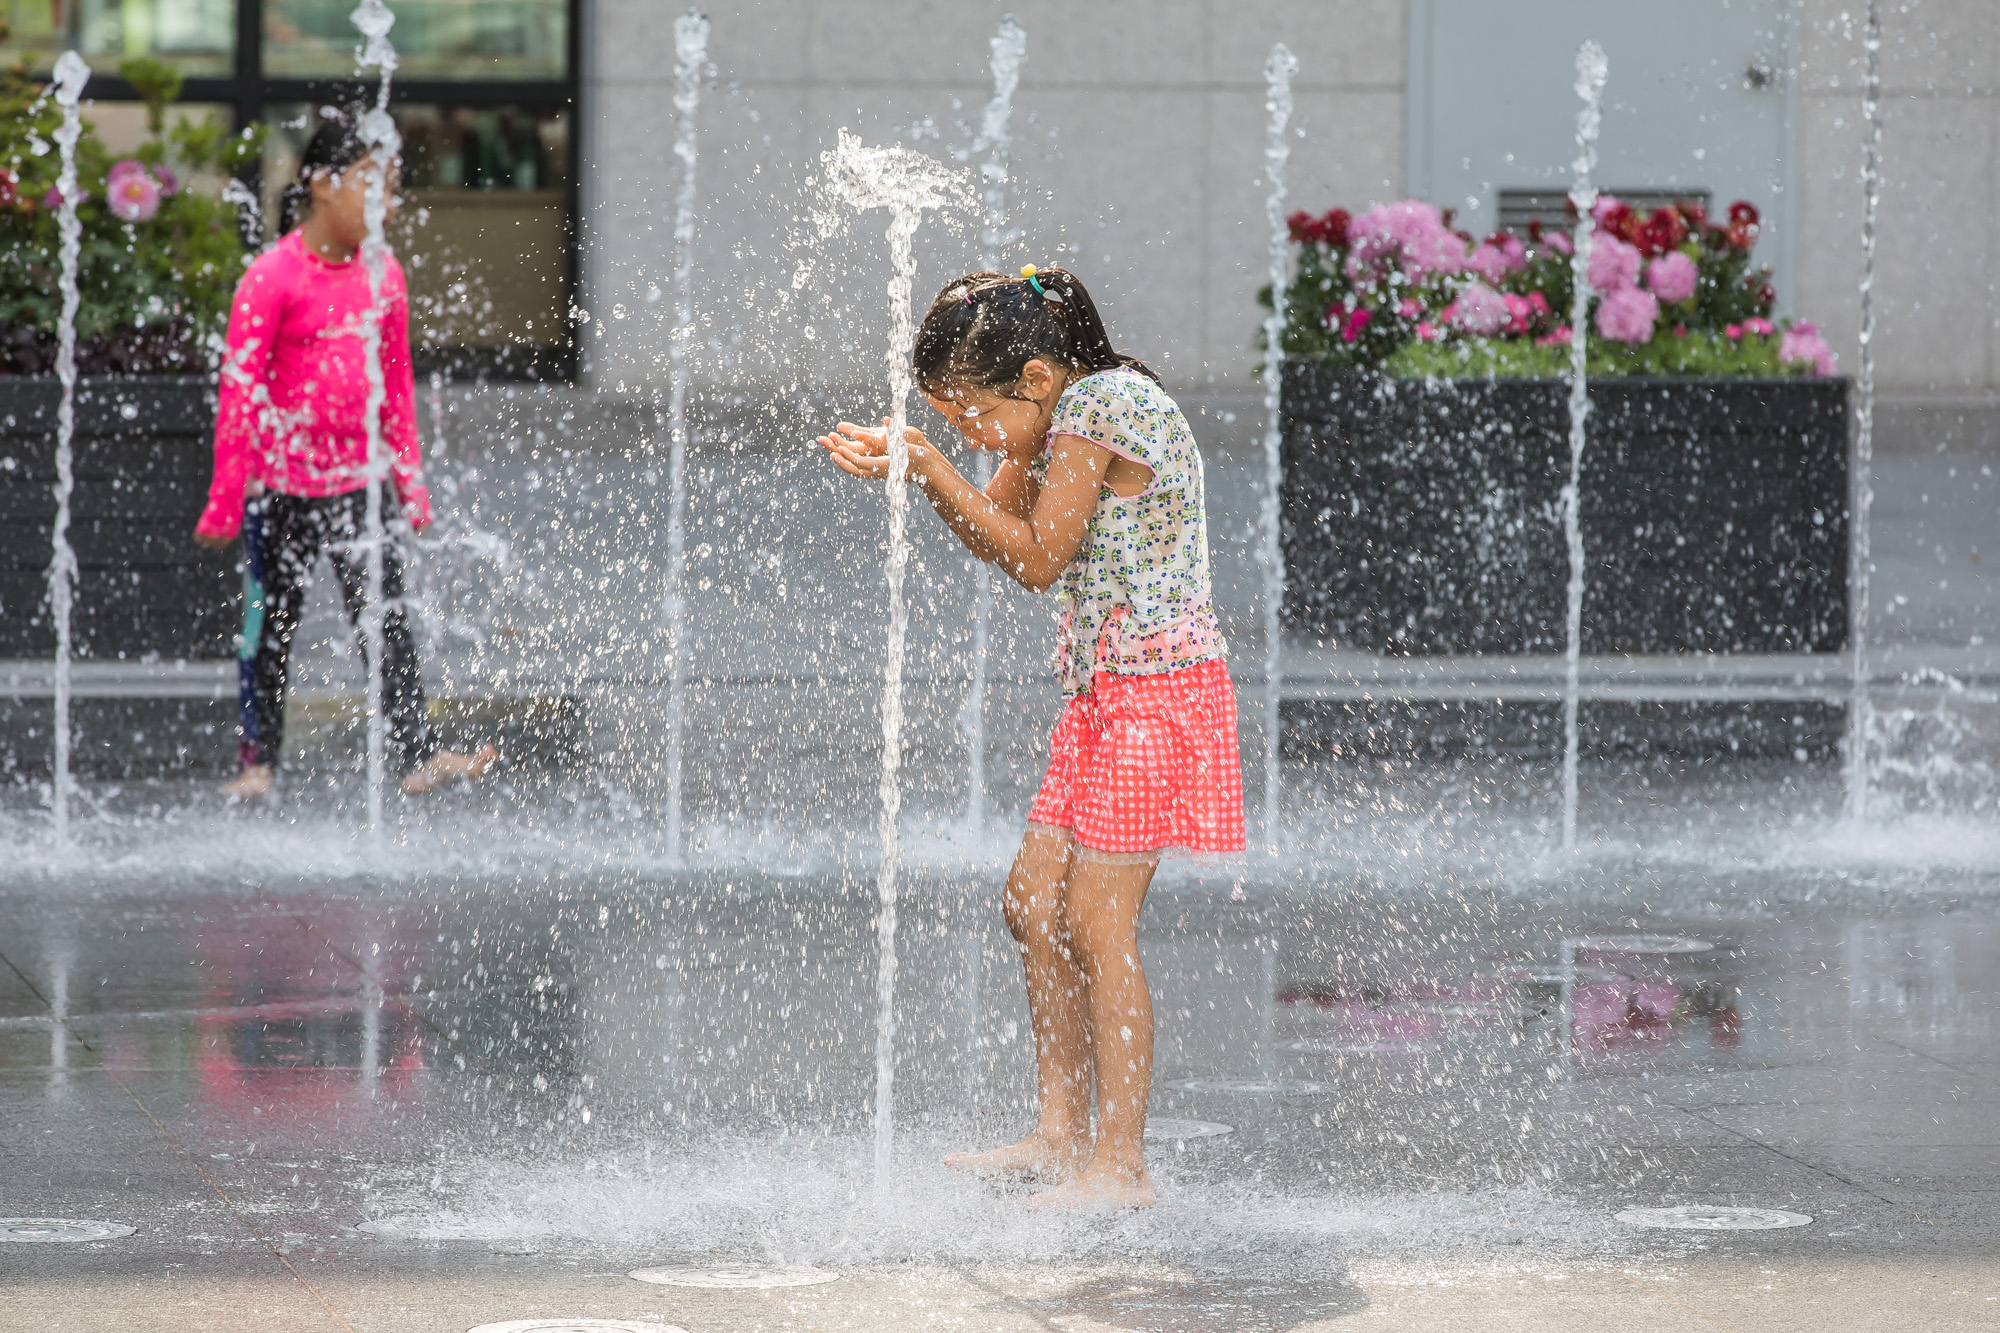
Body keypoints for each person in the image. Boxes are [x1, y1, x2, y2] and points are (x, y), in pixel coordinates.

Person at [818, 265, 1245, 1209]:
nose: (972, 438)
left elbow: (1042, 557)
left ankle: (1121, 1166)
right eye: (955, 422)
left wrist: (932, 468)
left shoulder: (1102, 406)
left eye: (973, 416)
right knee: (1032, 905)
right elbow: (1007, 534)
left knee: (1098, 922)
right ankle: (1060, 1135)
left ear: (1039, 377)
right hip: (1103, 696)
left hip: (1160, 696)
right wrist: (918, 463)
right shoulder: (1055, 414)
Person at [193, 106, 496, 801]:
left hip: (363, 482)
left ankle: (417, 753)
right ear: (322, 184)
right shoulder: (271, 277)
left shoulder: (384, 276)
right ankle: (258, 760)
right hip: (283, 485)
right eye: (373, 183)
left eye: (393, 187)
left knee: (388, 618)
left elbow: (395, 389)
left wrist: (411, 486)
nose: (388, 202)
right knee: (270, 625)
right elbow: (239, 390)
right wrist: (225, 496)